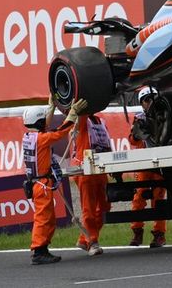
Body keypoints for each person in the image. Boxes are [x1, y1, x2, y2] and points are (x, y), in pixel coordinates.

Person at [22, 96, 87, 265]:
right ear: (38, 123)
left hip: (38, 183)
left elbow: (45, 127)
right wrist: (73, 113)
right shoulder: (42, 139)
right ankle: (39, 251)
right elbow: (60, 131)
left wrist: (51, 106)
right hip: (41, 184)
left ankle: (42, 249)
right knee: (43, 219)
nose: (45, 122)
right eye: (43, 120)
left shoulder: (30, 136)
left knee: (47, 218)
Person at [127, 87, 167, 248]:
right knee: (139, 197)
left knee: (158, 199)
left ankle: (159, 234)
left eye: (152, 98)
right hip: (145, 162)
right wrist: (136, 135)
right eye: (147, 100)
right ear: (141, 103)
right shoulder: (139, 118)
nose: (150, 102)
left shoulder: (165, 114)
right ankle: (137, 232)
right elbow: (132, 140)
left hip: (161, 161)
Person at [73, 109, 112, 256]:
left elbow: (107, 143)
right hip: (85, 170)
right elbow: (79, 116)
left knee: (105, 206)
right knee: (88, 209)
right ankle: (92, 242)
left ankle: (84, 238)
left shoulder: (101, 121)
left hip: (100, 169)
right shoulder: (82, 121)